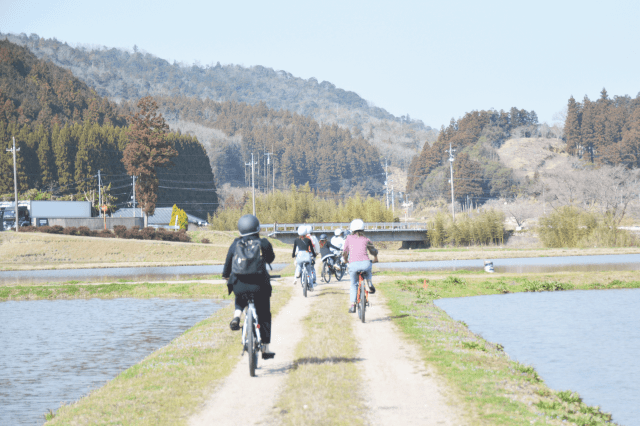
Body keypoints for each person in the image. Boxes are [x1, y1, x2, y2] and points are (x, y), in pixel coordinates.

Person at [222, 214, 276, 359]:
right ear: (257, 228)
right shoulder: (263, 243)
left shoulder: (235, 244)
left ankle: (237, 316)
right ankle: (265, 348)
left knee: (240, 296)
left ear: (240, 230)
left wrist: (226, 276)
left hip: (240, 285)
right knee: (264, 314)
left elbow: (228, 263)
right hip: (260, 286)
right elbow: (271, 258)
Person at [342, 219, 379, 313]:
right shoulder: (366, 239)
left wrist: (345, 260)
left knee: (354, 284)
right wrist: (375, 257)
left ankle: (353, 305)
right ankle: (369, 282)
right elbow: (373, 250)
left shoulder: (348, 238)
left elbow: (345, 252)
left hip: (353, 264)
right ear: (363, 229)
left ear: (352, 229)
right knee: (368, 269)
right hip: (365, 263)